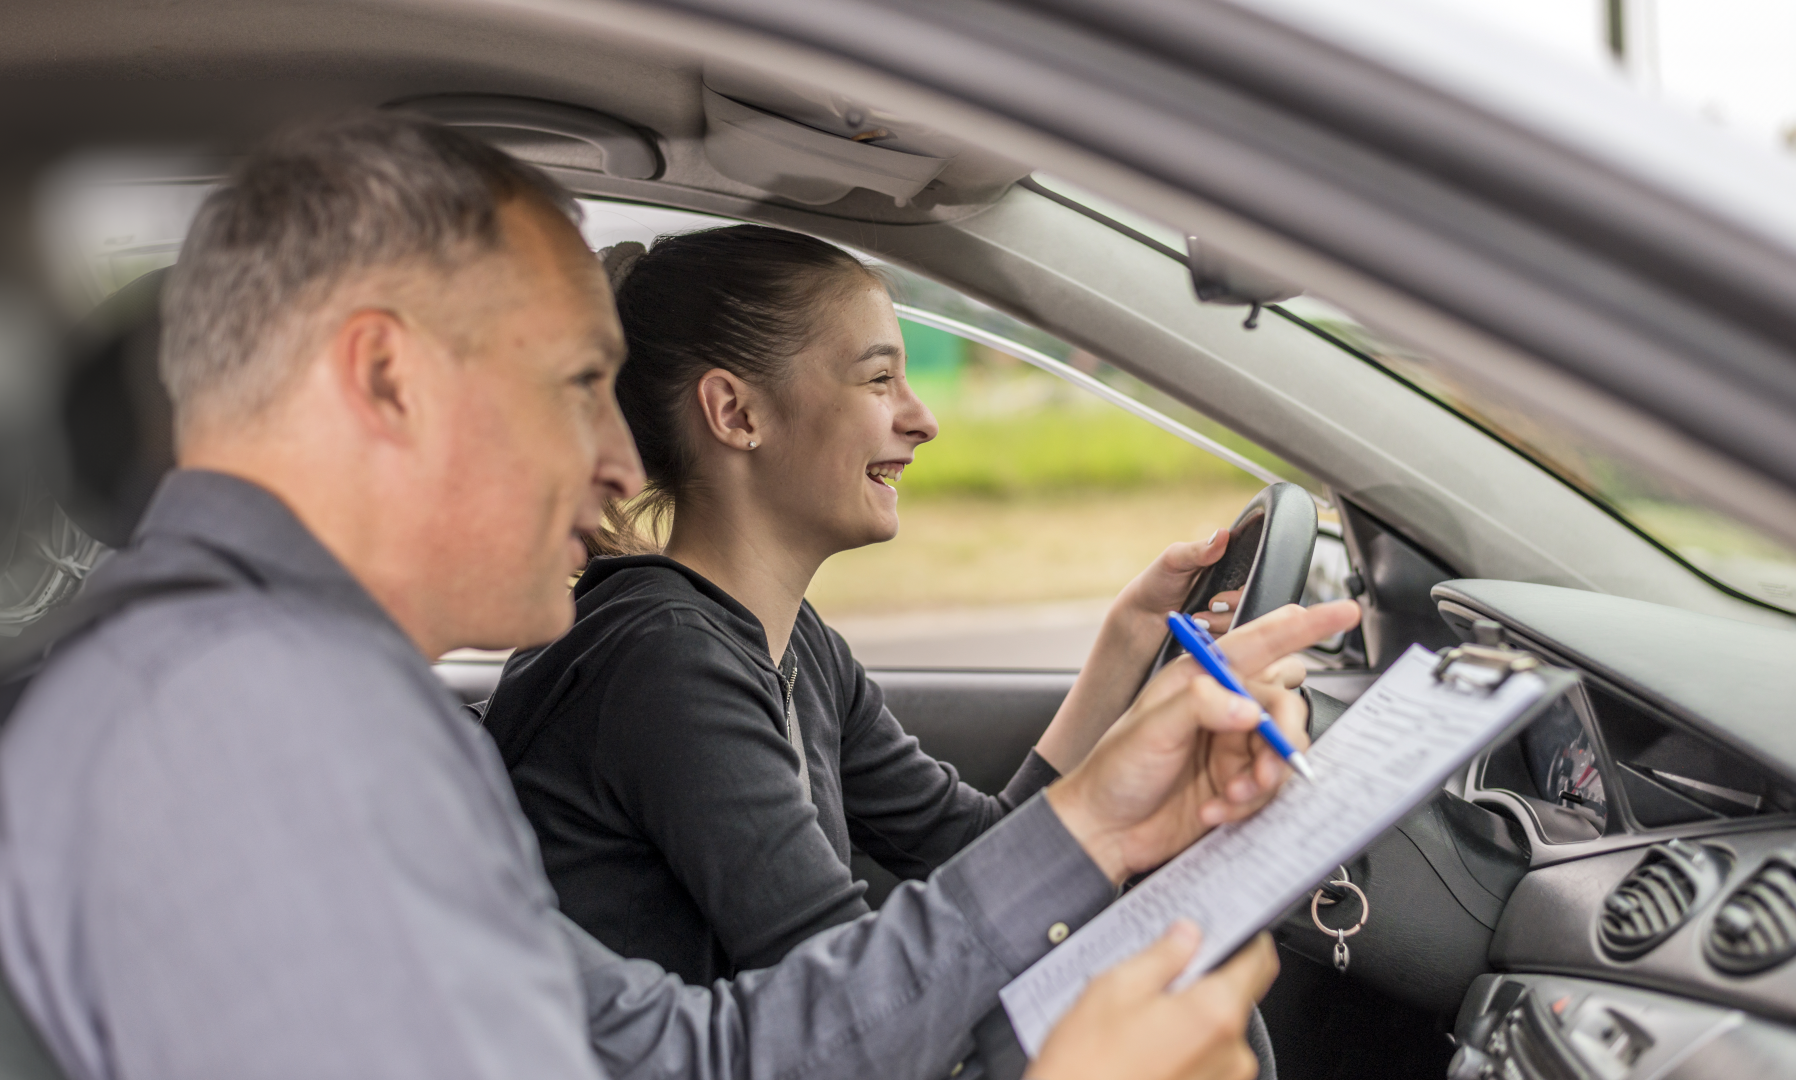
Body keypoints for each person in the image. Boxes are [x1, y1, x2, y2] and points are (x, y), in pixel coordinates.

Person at [0, 112, 1359, 1080]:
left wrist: (1099, 814)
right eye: (575, 386)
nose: (617, 461)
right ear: (389, 382)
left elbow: (686, 1054)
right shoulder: (226, 743)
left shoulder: (327, 707)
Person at [483, 224, 1264, 987]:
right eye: (879, 379)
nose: (923, 419)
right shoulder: (667, 662)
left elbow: (976, 848)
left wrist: (1131, 636)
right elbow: (853, 994)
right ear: (736, 414)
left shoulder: (795, 644)